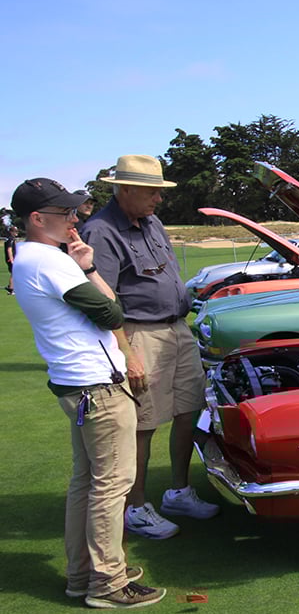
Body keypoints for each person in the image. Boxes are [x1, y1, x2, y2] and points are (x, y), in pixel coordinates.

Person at [10, 177, 165, 608]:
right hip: (97, 385)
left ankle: (84, 573)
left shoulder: (29, 258)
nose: (75, 219)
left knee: (87, 482)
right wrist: (90, 268)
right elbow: (112, 310)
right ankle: (108, 583)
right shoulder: (50, 262)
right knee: (112, 485)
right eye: (65, 213)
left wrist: (81, 262)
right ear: (37, 219)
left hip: (75, 384)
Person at [81, 154, 219, 540]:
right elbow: (103, 301)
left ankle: (178, 492)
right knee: (142, 425)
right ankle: (136, 507)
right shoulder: (101, 232)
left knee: (189, 410)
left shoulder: (152, 222)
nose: (159, 199)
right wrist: (127, 353)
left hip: (177, 330)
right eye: (151, 192)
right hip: (139, 335)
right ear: (124, 189)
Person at [5, 225, 17, 294]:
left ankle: (11, 287)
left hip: (13, 258)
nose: (16, 233)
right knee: (13, 273)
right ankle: (11, 289)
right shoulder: (10, 239)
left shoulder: (12, 239)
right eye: (14, 231)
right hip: (11, 259)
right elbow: (9, 250)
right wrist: (11, 259)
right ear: (11, 232)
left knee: (14, 273)